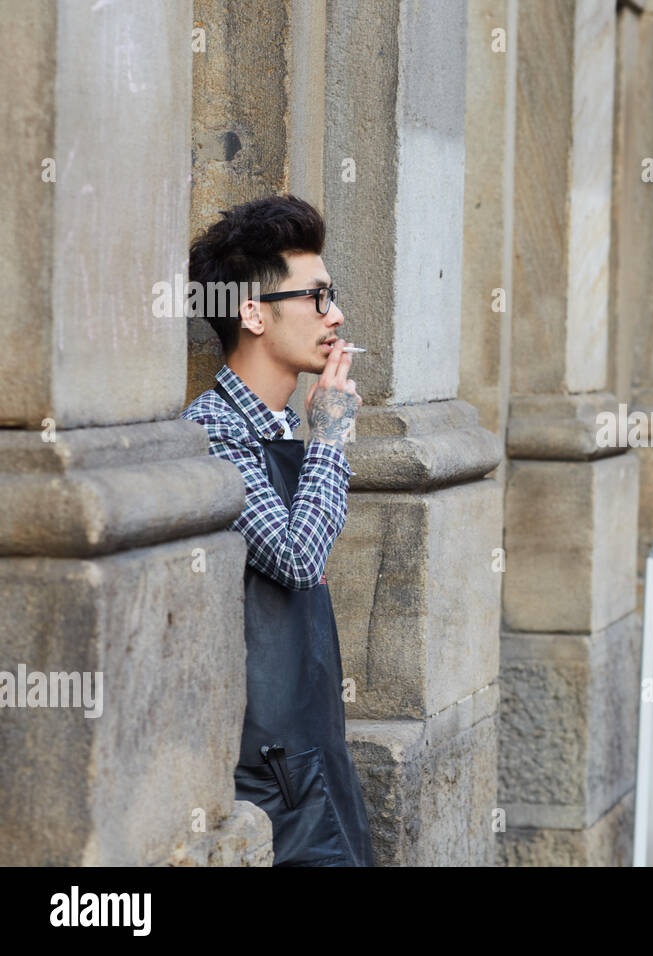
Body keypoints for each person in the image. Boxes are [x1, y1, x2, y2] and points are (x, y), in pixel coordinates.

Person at [182, 195, 374, 866]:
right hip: (272, 785)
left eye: (334, 296)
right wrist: (329, 437)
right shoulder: (214, 432)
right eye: (317, 298)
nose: (337, 315)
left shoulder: (278, 426)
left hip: (315, 760)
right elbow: (296, 557)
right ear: (253, 311)